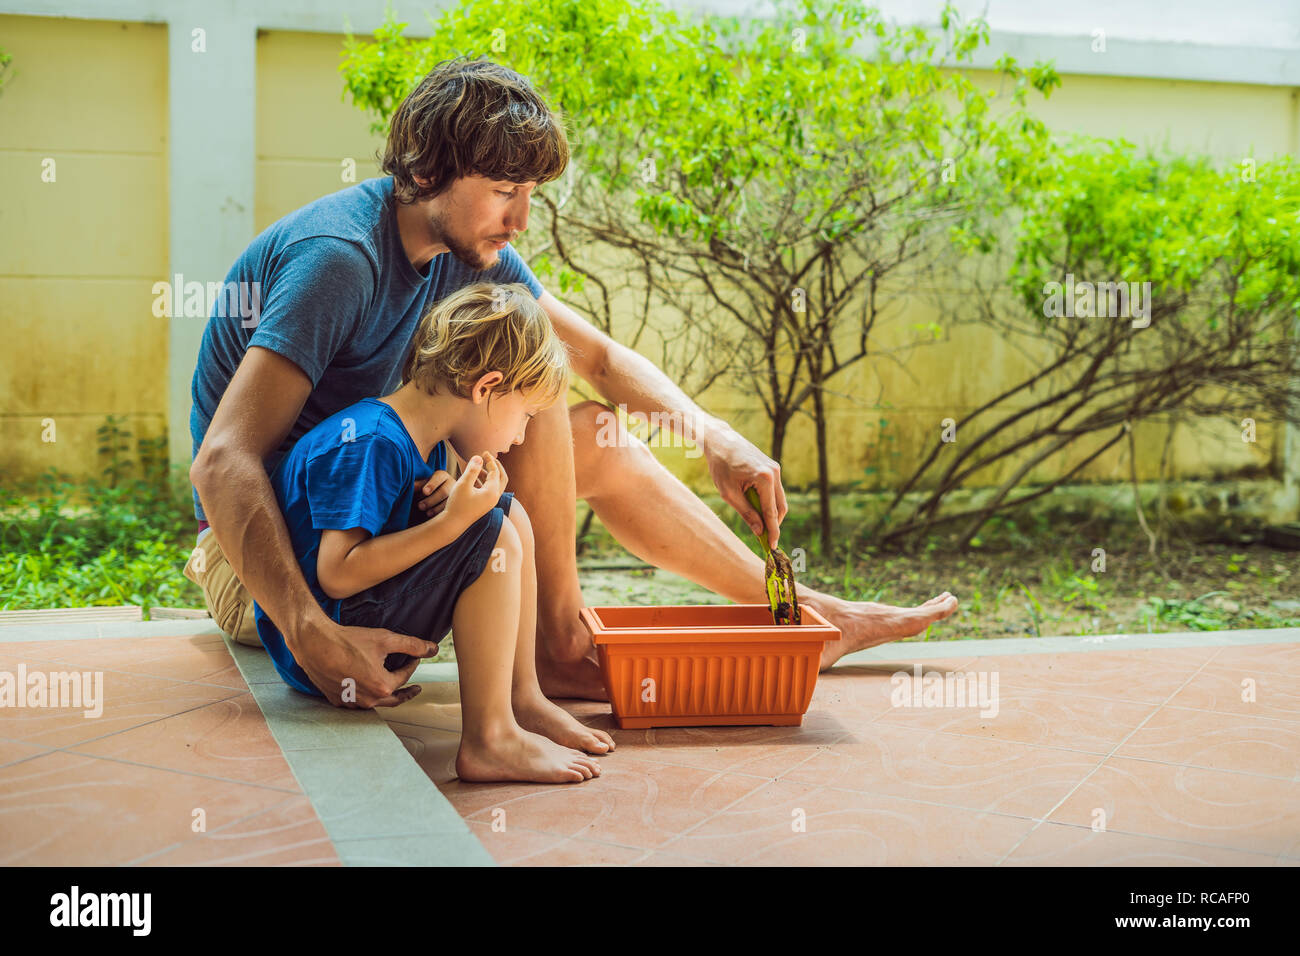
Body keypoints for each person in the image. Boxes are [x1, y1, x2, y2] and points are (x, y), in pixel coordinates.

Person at [187, 54, 958, 710]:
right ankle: (562, 644)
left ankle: (797, 615)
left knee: (590, 425)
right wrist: (307, 627)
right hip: (274, 563)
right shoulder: (339, 261)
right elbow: (223, 461)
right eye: (503, 192)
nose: (521, 220)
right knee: (544, 394)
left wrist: (717, 441)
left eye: (530, 196)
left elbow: (598, 360)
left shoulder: (467, 252)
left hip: (382, 505)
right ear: (426, 171)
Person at [254, 281, 613, 783]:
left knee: (511, 516)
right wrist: (453, 522)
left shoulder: (416, 440)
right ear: (485, 388)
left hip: (361, 612)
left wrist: (447, 507)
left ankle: (523, 699)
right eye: (526, 415)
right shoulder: (372, 441)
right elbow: (336, 573)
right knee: (492, 533)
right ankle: (490, 740)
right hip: (339, 645)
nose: (521, 436)